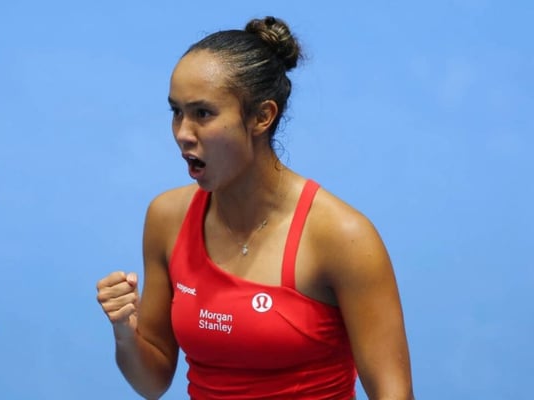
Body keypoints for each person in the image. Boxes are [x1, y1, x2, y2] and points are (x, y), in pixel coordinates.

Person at [96, 16, 414, 400]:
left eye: (203, 114)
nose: (182, 133)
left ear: (262, 117)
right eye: (176, 112)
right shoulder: (167, 218)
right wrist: (125, 333)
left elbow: (393, 393)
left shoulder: (343, 238)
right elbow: (153, 382)